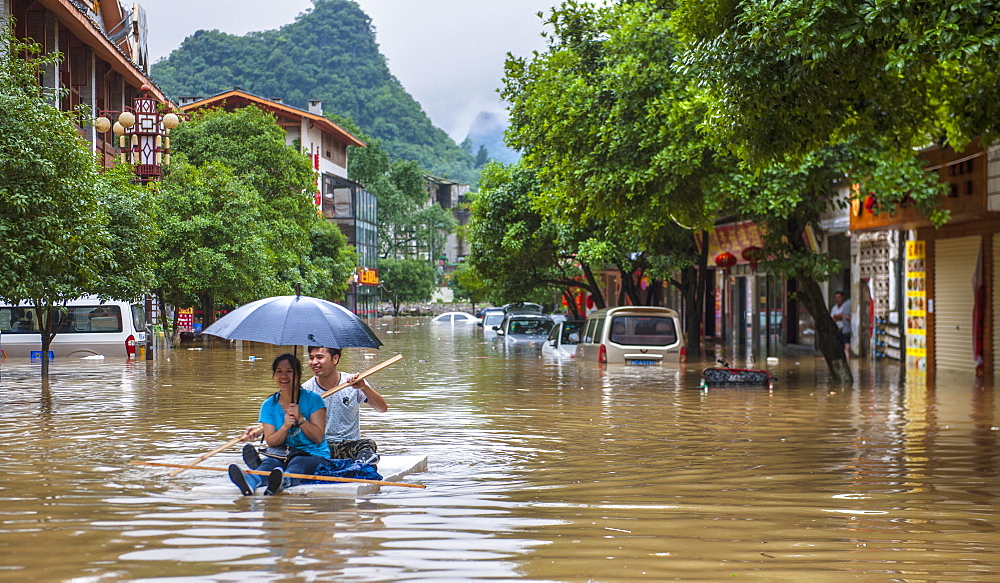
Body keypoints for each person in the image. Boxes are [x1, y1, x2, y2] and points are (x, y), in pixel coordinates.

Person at [228, 353, 331, 496]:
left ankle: (284, 481)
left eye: (289, 371)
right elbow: (271, 441)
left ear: (298, 375)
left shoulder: (314, 400)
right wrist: (285, 427)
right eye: (279, 372)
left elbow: (318, 438)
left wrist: (301, 419)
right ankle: (251, 481)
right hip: (282, 454)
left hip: (313, 454)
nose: (284, 376)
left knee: (298, 462)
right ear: (274, 375)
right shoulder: (269, 405)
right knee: (270, 464)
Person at [300, 346, 388, 467]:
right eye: (311, 358)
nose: (314, 362)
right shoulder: (305, 390)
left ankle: (358, 467)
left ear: (335, 359)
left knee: (368, 445)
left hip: (348, 446)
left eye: (319, 357)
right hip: (321, 447)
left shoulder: (353, 383)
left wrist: (364, 388)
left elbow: (382, 408)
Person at [830, 291, 852, 359]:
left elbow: (845, 316)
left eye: (839, 297)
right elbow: (833, 318)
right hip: (837, 330)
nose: (837, 299)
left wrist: (840, 316)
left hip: (845, 330)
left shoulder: (846, 306)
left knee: (846, 348)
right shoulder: (834, 308)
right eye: (836, 298)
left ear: (842, 298)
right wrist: (840, 317)